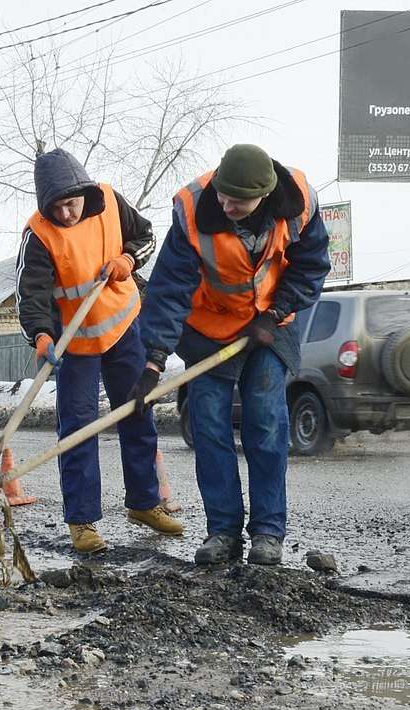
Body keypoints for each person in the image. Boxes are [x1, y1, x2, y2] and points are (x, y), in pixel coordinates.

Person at [134, 144, 330, 566]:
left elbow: (311, 266)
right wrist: (153, 360)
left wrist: (278, 311)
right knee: (208, 430)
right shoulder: (192, 211)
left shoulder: (299, 204)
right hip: (209, 331)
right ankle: (222, 532)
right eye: (223, 195)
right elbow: (169, 289)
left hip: (268, 328)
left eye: (237, 201)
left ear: (264, 194)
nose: (226, 205)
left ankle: (267, 533)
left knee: (266, 423)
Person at [16, 149, 183, 553]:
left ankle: (144, 503)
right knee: (78, 428)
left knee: (136, 410)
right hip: (75, 344)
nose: (67, 215)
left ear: (84, 194)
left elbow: (146, 238)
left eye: (71, 205)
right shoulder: (38, 233)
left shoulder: (109, 201)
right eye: (57, 208)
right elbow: (31, 292)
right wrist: (40, 334)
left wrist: (127, 259)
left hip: (124, 327)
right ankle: (83, 521)